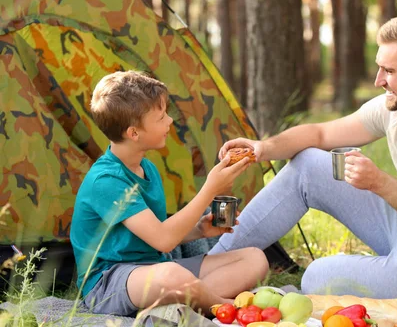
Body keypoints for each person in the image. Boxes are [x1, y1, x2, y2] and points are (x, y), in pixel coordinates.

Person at [209, 11, 397, 311]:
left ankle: (388, 275)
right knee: (308, 165)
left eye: (390, 71)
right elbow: (318, 133)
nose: (378, 80)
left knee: (317, 278)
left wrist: (380, 183)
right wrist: (262, 148)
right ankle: (208, 269)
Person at [71, 71, 269, 317]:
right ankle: (226, 308)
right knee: (173, 277)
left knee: (254, 258)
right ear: (134, 133)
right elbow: (163, 240)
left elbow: (154, 233)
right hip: (110, 282)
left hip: (155, 269)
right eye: (161, 116)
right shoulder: (106, 180)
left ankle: (185, 302)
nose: (170, 121)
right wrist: (210, 190)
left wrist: (199, 230)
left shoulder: (147, 168)